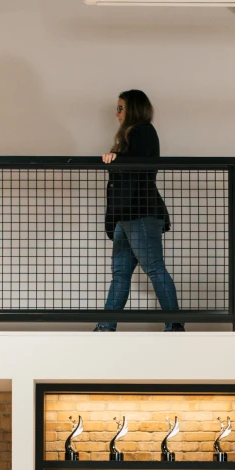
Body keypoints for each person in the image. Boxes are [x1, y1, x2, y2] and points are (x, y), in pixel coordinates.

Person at [95, 89, 181, 332]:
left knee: (154, 268)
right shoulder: (132, 135)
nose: (117, 113)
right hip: (127, 216)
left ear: (132, 109)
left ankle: (175, 325)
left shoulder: (142, 130)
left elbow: (136, 165)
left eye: (121, 108)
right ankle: (105, 327)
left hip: (140, 213)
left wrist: (116, 158)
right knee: (120, 274)